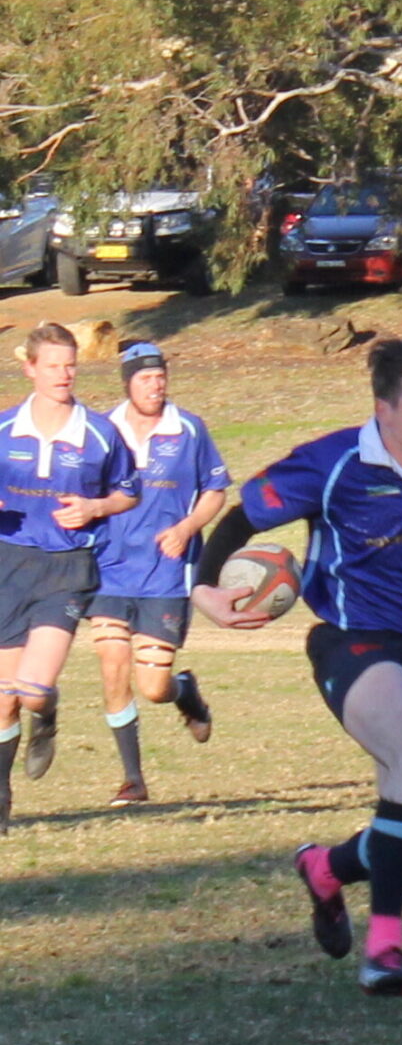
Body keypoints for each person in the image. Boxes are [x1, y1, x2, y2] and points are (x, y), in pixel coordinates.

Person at [190, 336, 402, 995]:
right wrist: (204, 586)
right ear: (385, 409)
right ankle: (385, 950)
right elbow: (242, 518)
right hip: (353, 643)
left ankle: (325, 868)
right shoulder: (334, 463)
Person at [0, 323, 138, 831]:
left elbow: (128, 492)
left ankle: (47, 713)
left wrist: (95, 507)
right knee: (2, 701)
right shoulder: (4, 429)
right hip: (9, 563)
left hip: (68, 567)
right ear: (30, 369)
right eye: (53, 366)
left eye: (70, 365)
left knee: (33, 688)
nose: (63, 375)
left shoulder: (99, 433)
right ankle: (1, 794)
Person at [86, 341, 228, 806]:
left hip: (166, 574)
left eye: (161, 377)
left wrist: (187, 527)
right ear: (128, 383)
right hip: (109, 570)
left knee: (152, 687)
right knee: (112, 664)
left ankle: (184, 691)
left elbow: (215, 490)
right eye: (146, 378)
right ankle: (133, 779)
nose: (156, 385)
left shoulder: (188, 430)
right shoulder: (102, 430)